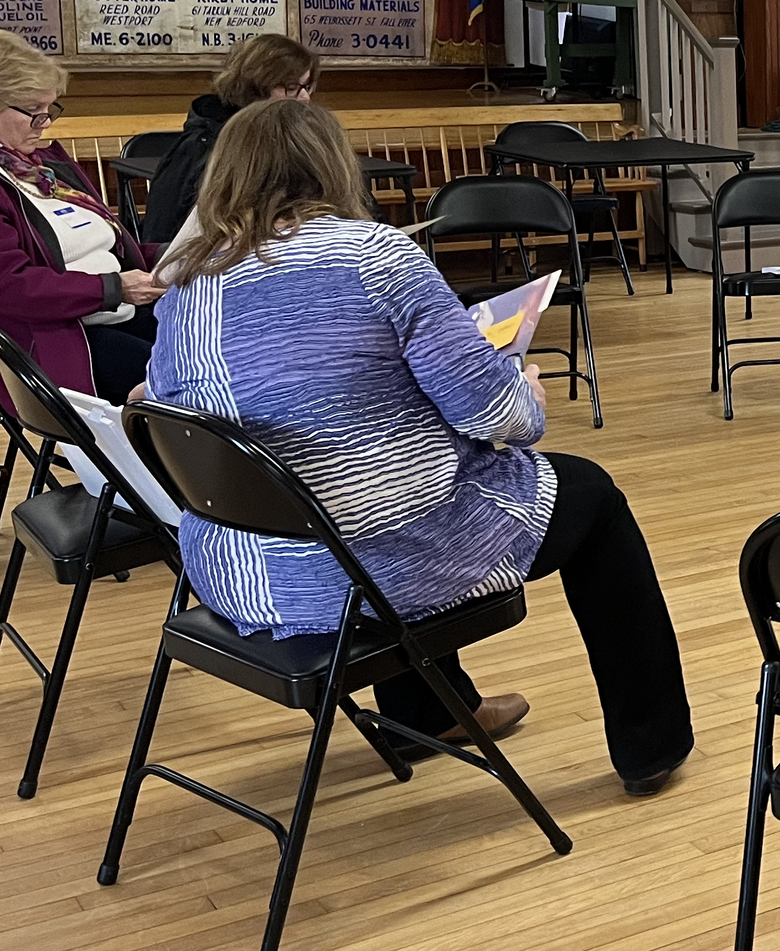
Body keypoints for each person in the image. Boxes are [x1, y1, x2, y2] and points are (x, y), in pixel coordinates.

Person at [147, 101, 695, 796]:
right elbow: (497, 415)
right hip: (362, 570)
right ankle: (653, 742)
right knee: (590, 498)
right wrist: (524, 387)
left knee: (387, 479)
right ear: (330, 166)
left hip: (239, 568)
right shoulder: (375, 255)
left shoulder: (188, 282)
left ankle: (429, 710)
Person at [0, 28, 164, 407]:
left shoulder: (42, 169)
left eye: (50, 109)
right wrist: (113, 288)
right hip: (47, 339)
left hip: (108, 314)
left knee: (230, 350)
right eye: (33, 110)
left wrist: (181, 253)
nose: (45, 123)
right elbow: (6, 286)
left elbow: (111, 247)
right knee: (194, 378)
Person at [142, 32, 320, 244]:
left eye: (307, 86)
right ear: (256, 86)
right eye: (291, 88)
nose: (304, 98)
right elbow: (162, 236)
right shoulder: (203, 148)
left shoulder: (294, 139)